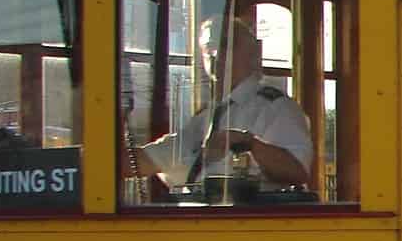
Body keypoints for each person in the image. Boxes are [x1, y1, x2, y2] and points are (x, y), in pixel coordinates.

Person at [133, 15, 314, 193]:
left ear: (253, 53)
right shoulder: (204, 119)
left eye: (226, 45)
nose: (215, 54)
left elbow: (298, 171)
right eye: (208, 48)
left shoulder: (275, 108)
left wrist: (248, 143)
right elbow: (137, 163)